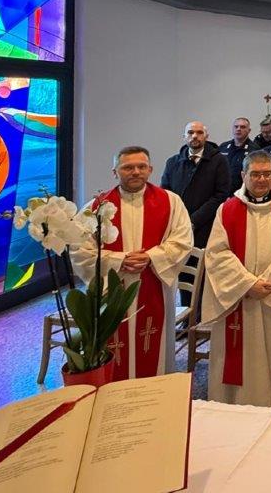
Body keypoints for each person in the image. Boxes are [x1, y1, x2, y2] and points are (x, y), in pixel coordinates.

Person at [72, 146, 192, 380]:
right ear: (115, 172)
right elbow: (80, 251)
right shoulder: (96, 208)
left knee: (154, 345)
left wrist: (151, 257)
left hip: (155, 286)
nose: (136, 172)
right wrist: (120, 260)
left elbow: (183, 241)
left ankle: (155, 393)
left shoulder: (171, 202)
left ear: (150, 170)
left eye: (141, 167)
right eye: (128, 167)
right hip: (114, 289)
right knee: (115, 343)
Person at [201, 150, 271, 408]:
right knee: (242, 358)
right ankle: (238, 408)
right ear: (243, 175)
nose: (262, 180)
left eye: (267, 174)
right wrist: (248, 283)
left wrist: (267, 282)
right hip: (241, 298)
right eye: (255, 174)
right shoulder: (227, 209)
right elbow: (216, 253)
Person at [161, 121, 230, 253]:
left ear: (206, 137)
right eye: (190, 132)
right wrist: (178, 219)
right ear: (184, 137)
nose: (194, 136)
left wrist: (194, 221)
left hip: (205, 225)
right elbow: (165, 193)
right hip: (176, 225)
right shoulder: (172, 162)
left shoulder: (219, 161)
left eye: (199, 133)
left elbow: (220, 195)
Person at [219, 117, 257, 188]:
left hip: (243, 189)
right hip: (223, 189)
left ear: (249, 130)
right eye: (236, 127)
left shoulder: (255, 150)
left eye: (242, 127)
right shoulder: (223, 147)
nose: (238, 129)